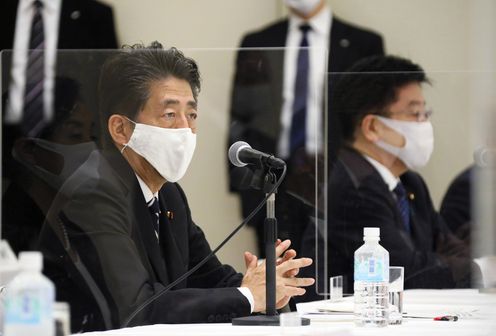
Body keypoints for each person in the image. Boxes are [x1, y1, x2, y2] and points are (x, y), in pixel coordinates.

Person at [38, 42, 314, 332]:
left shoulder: (169, 194)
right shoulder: (93, 193)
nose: (185, 129)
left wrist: (267, 286)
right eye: (170, 115)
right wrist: (247, 296)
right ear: (121, 129)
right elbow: (138, 307)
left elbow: (211, 279)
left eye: (192, 115)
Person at [299, 55, 474, 299]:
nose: (425, 124)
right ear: (371, 127)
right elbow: (403, 271)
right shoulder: (351, 185)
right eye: (415, 114)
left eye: (426, 113)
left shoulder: (410, 182)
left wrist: (477, 266)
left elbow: (445, 244)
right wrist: (482, 268)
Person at [228, 0, 384, 256]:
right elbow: (241, 117)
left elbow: (371, 122)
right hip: (274, 180)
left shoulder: (363, 44)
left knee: (334, 281)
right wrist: (245, 188)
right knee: (278, 284)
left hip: (337, 180)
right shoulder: (259, 41)